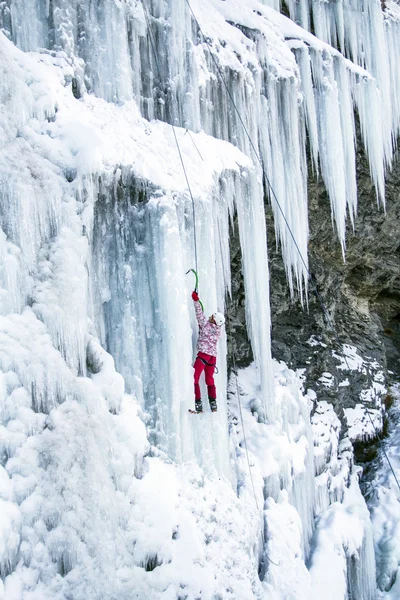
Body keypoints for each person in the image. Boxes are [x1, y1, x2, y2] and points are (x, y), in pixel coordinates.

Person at [191, 290, 225, 413]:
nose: (210, 316)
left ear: (214, 320)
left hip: (203, 356)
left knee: (194, 378)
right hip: (212, 358)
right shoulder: (217, 331)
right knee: (209, 379)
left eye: (212, 316)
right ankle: (213, 404)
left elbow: (199, 315)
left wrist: (195, 300)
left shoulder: (206, 326)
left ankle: (198, 403)